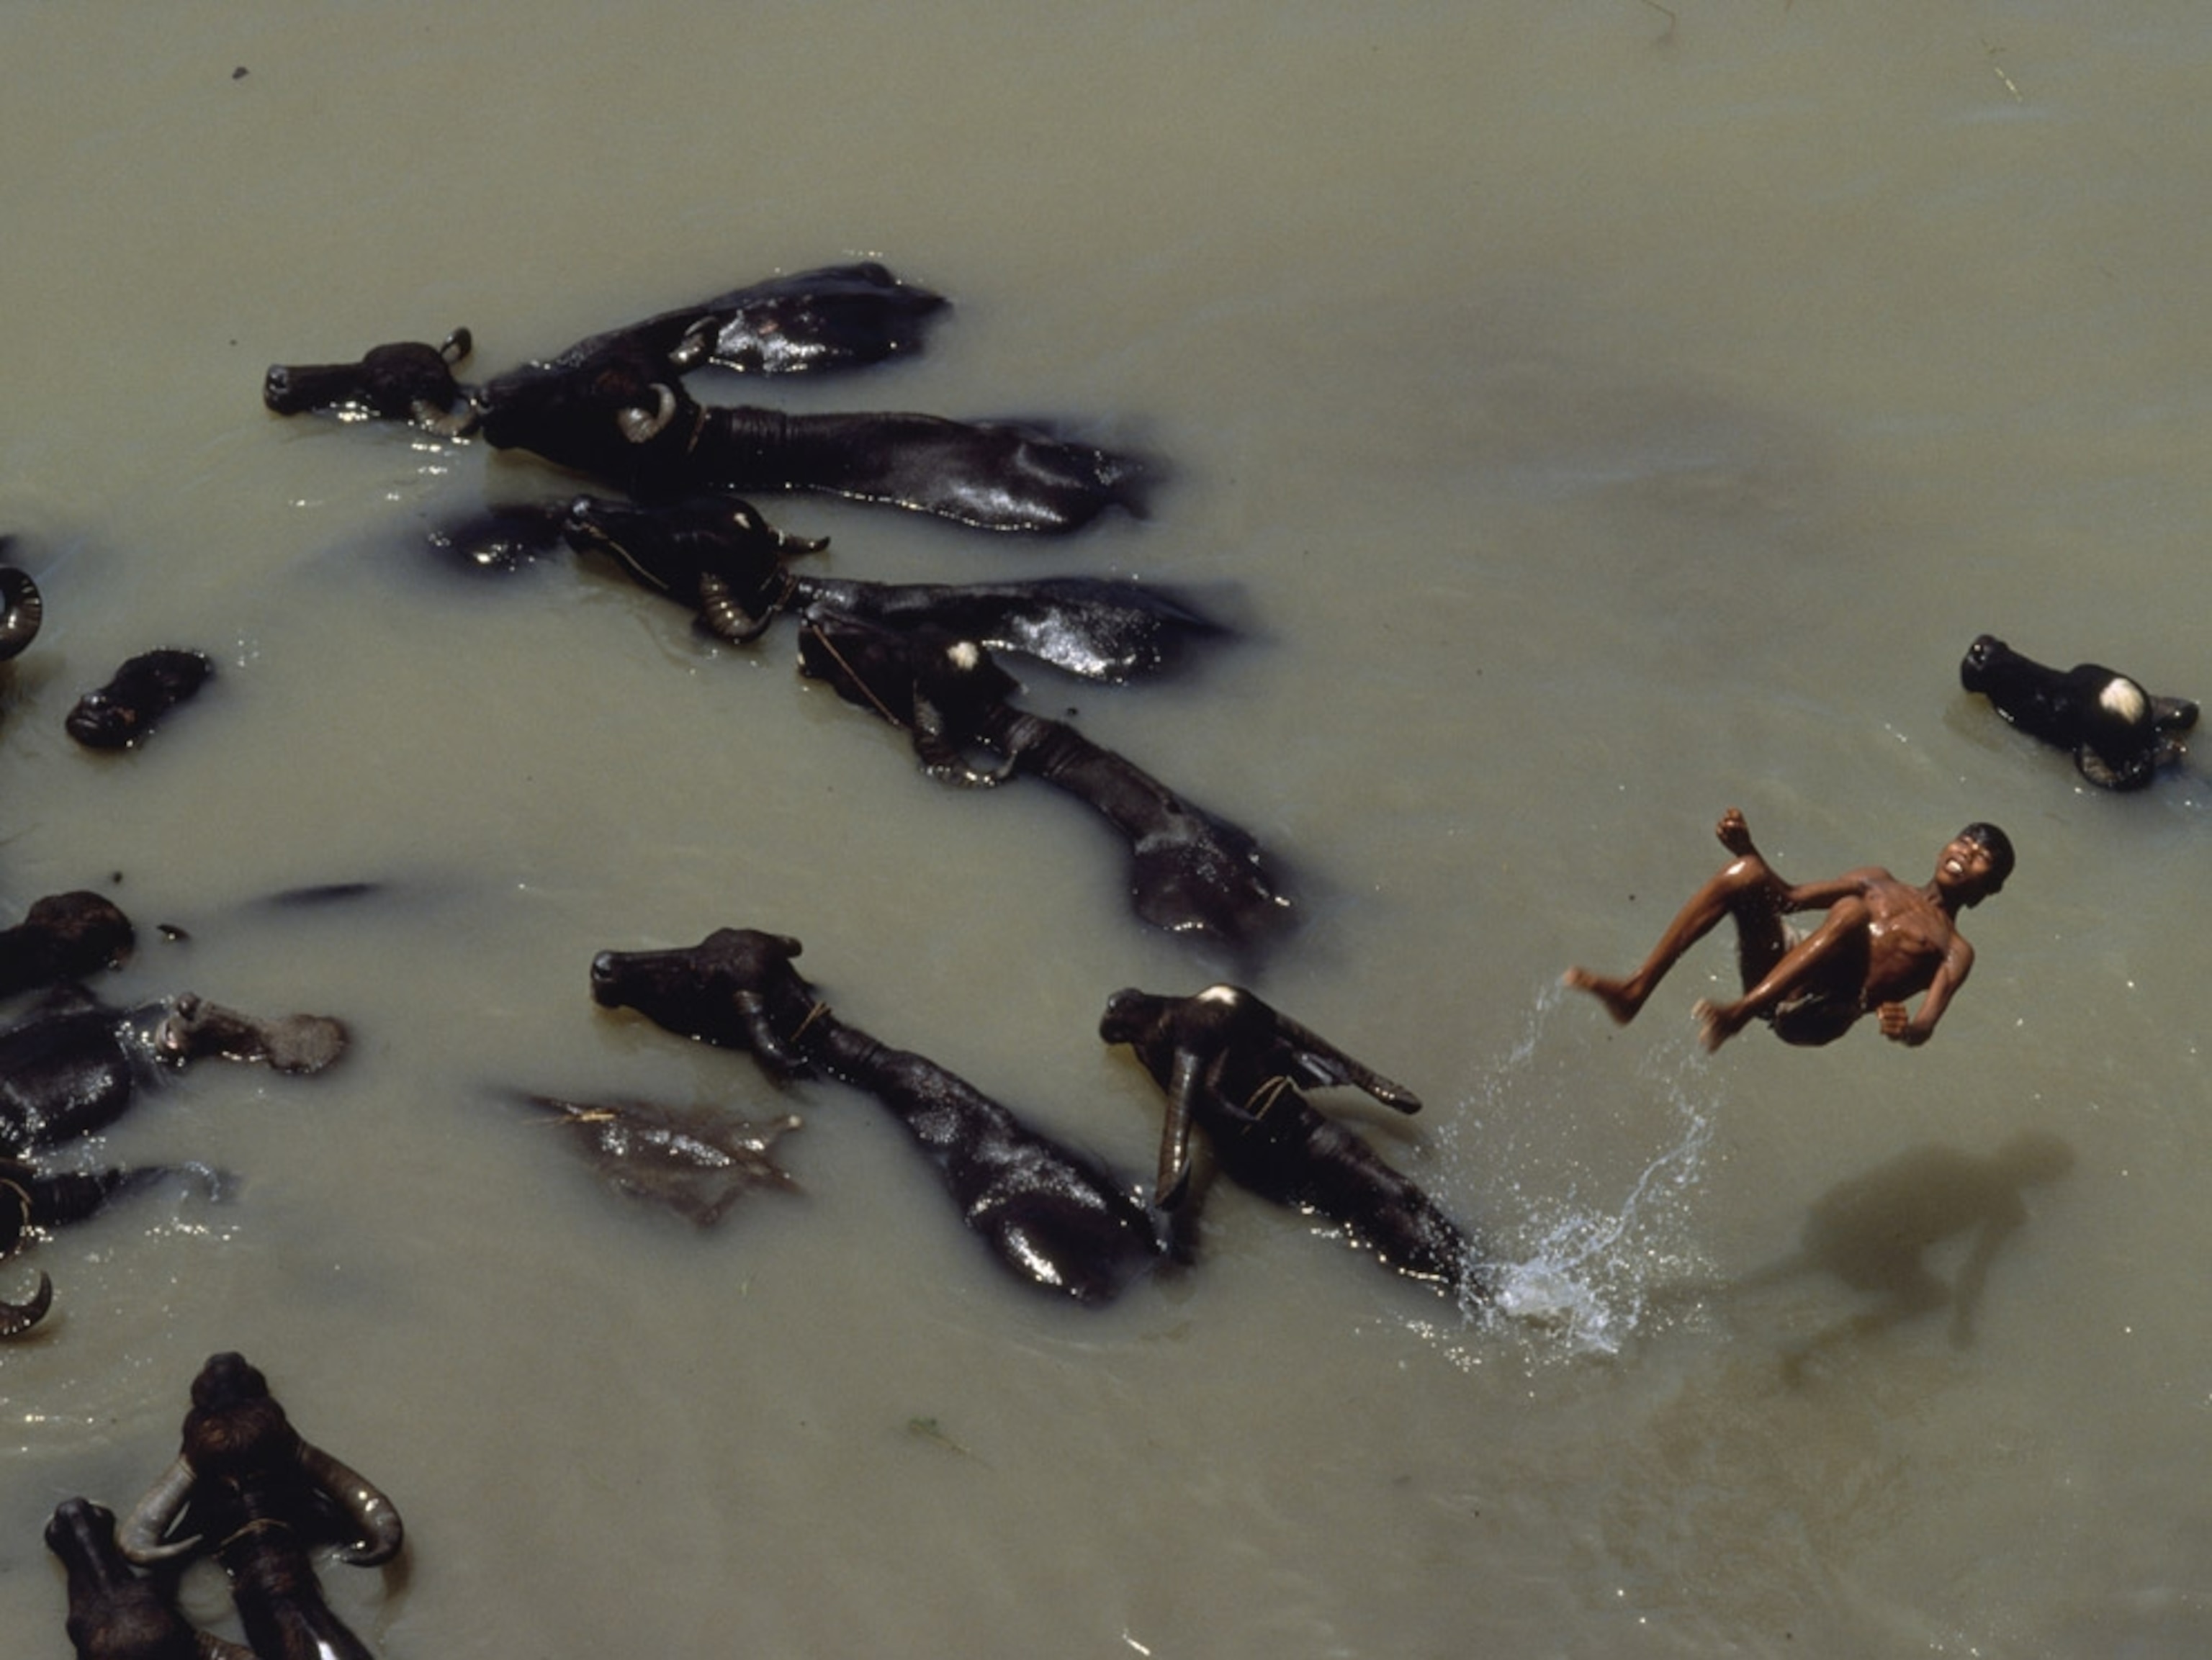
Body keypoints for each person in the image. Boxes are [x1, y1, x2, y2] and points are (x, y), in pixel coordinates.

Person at [1563, 808, 2013, 1051]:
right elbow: (1788, 899)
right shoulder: (1876, 879)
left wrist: (1903, 1030)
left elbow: (1926, 1026)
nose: (1967, 852)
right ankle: (1634, 990)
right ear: (1944, 846)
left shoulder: (1954, 949)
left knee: (1853, 913)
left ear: (1987, 888)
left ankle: (1738, 1014)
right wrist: (1749, 849)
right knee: (1744, 874)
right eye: (1965, 841)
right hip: (1781, 973)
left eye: (1981, 857)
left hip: (1820, 1014)